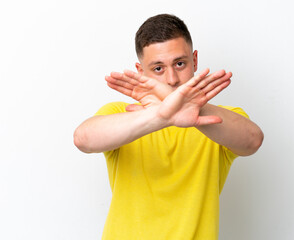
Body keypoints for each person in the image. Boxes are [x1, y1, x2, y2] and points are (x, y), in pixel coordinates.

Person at [74, 14, 264, 240]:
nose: (172, 79)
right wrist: (160, 116)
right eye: (158, 68)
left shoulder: (217, 119)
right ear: (140, 70)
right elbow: (83, 139)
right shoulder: (121, 113)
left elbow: (253, 140)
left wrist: (193, 109)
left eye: (180, 63)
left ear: (195, 60)